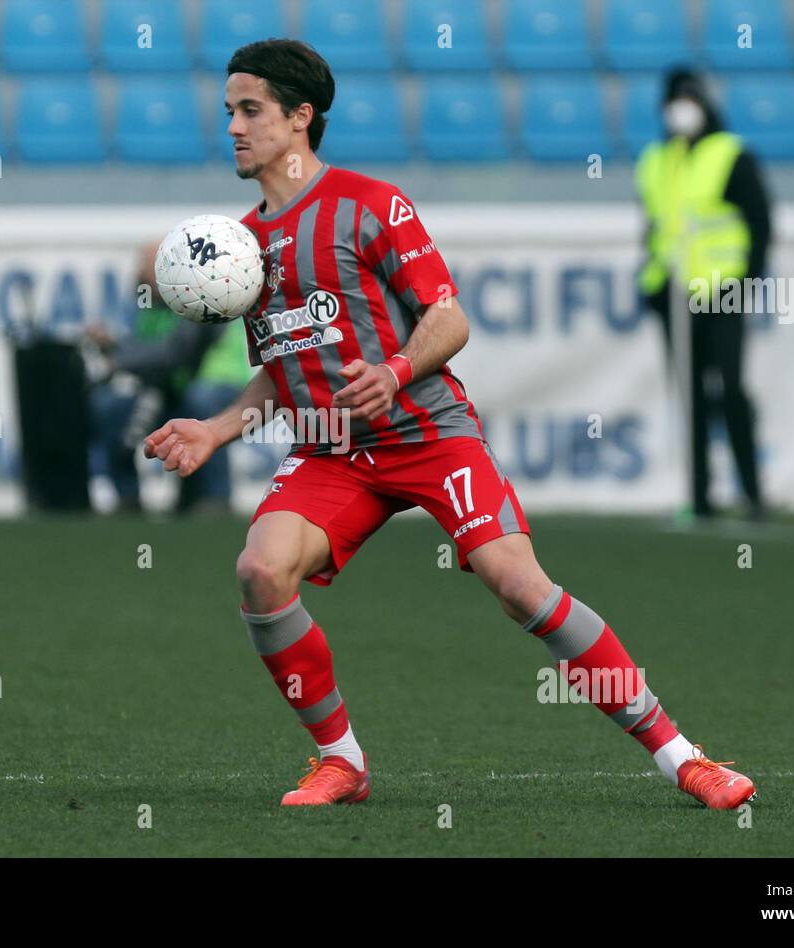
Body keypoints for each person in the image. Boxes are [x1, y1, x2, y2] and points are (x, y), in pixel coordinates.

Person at [145, 39, 755, 809]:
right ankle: (341, 761)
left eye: (249, 110)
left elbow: (449, 316)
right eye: (229, 110)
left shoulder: (371, 205)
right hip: (334, 453)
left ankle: (681, 756)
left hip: (426, 433)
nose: (232, 126)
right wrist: (215, 428)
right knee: (260, 572)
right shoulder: (244, 248)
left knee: (519, 587)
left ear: (301, 118)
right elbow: (283, 366)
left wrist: (395, 370)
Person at [636, 68, 771, 520]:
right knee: (689, 396)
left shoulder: (730, 154)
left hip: (722, 290)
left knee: (730, 389)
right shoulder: (655, 161)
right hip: (675, 295)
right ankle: (700, 496)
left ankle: (752, 493)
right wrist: (654, 286)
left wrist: (747, 281)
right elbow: (656, 230)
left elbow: (760, 223)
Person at [86, 243, 251, 514]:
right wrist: (114, 346)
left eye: (150, 264)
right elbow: (148, 351)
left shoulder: (201, 296)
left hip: (221, 382)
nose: (140, 271)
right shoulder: (151, 308)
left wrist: (117, 359)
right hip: (175, 386)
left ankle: (215, 499)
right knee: (112, 405)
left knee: (200, 401)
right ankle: (128, 499)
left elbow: (175, 353)